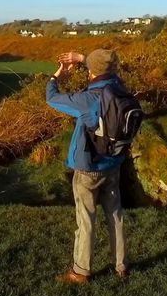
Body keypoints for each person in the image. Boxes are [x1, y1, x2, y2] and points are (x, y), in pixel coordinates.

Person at [46, 48, 129, 284]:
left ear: (91, 73)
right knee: (115, 217)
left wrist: (56, 78)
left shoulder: (88, 99)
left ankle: (81, 271)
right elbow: (108, 70)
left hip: (88, 168)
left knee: (86, 220)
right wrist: (83, 60)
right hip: (113, 163)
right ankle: (121, 266)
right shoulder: (120, 88)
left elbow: (52, 98)